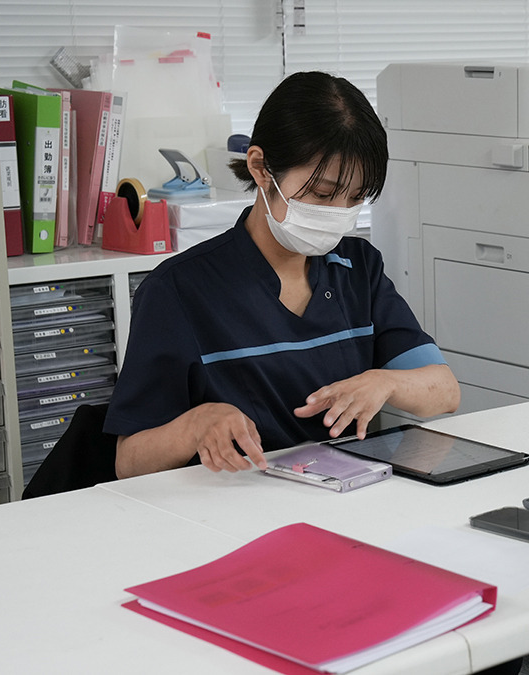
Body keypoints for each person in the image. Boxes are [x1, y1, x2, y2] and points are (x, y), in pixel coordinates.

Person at [105, 71, 460, 478]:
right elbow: (129, 462)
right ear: (260, 168)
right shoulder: (180, 290)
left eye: (356, 198)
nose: (338, 213)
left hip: (346, 502)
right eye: (323, 194)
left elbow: (445, 391)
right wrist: (194, 426)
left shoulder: (357, 267)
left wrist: (386, 383)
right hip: (229, 513)